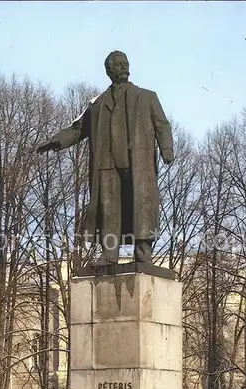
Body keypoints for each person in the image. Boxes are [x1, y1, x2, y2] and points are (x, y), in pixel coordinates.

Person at [38, 51, 174, 265]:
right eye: (119, 64)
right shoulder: (98, 104)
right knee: (108, 208)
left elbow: (162, 125)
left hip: (136, 161)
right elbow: (78, 129)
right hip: (106, 163)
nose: (124, 67)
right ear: (109, 70)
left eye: (126, 63)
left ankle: (143, 251)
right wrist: (55, 141)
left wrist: (167, 149)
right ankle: (110, 254)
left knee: (140, 206)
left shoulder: (147, 97)